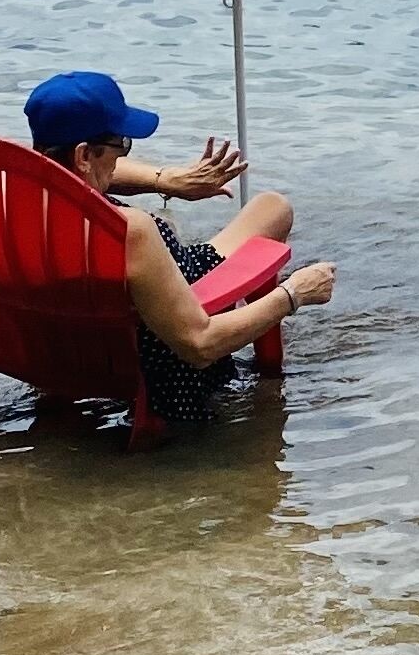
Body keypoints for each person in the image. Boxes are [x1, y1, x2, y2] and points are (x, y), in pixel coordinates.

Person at [25, 69, 335, 429]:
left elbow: (71, 169)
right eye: (121, 144)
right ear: (83, 155)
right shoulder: (130, 231)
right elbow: (199, 345)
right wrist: (293, 294)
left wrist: (166, 181)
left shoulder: (7, 196)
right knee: (273, 208)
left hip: (71, 346)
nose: (122, 155)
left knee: (269, 209)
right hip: (163, 335)